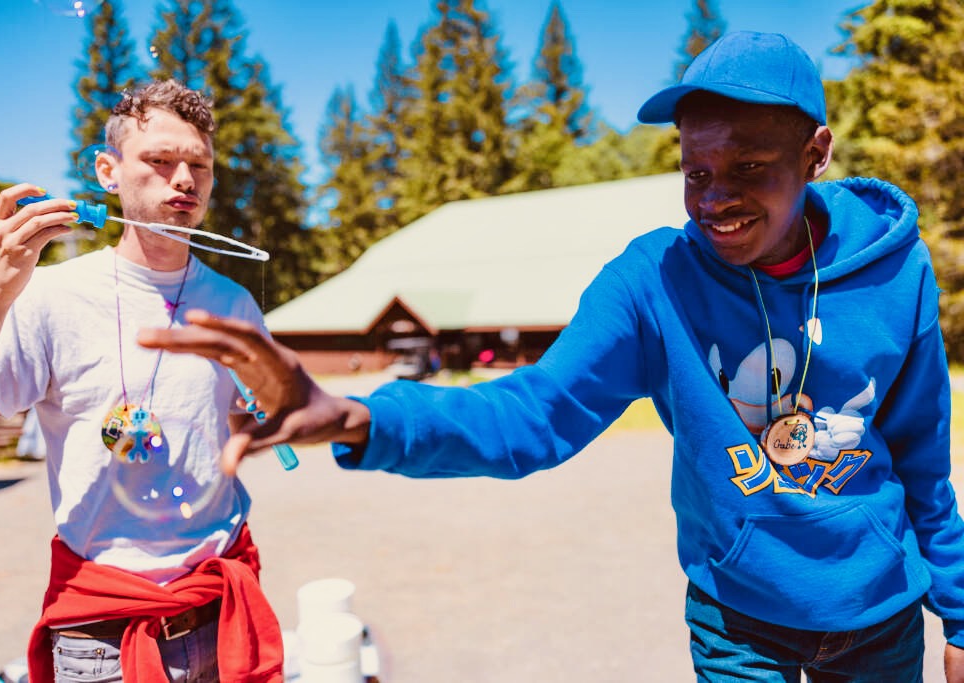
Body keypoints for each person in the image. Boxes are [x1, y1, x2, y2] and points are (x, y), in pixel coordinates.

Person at [139, 32, 964, 681]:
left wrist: (959, 617)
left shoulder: (896, 271)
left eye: (747, 168)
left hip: (876, 617)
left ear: (816, 154)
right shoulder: (655, 282)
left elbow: (926, 458)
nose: (713, 199)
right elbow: (533, 414)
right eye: (695, 170)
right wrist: (361, 416)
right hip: (736, 615)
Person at [0, 80, 283, 682]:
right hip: (101, 635)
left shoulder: (233, 304)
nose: (184, 180)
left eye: (199, 165)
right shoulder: (47, 297)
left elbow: (243, 430)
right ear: (108, 170)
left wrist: (265, 416)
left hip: (220, 610)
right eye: (159, 160)